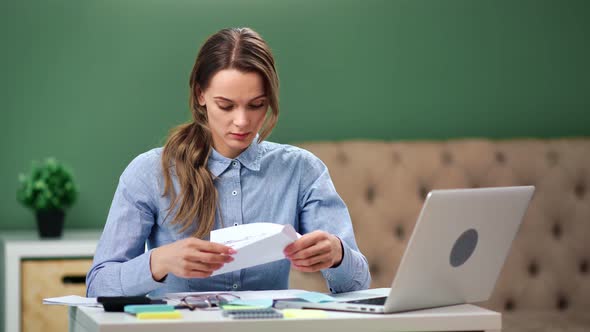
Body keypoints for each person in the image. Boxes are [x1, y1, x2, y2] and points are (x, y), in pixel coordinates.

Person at [86, 27, 371, 297]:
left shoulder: (302, 170)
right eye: (226, 105)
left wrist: (337, 255)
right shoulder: (149, 173)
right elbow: (98, 285)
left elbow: (358, 285)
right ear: (200, 95)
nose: (243, 121)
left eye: (257, 104)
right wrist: (158, 262)